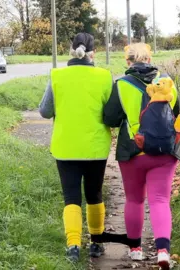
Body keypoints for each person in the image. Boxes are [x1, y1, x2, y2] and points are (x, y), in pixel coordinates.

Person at [103, 43, 180, 270]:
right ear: (150, 58)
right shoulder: (168, 81)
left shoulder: (122, 84)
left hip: (133, 151)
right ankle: (163, 251)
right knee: (160, 200)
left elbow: (109, 117)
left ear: (128, 61)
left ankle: (136, 249)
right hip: (165, 150)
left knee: (135, 200)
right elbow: (177, 114)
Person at [39, 32, 114, 262]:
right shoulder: (104, 76)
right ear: (93, 53)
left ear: (71, 50)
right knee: (94, 194)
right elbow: (111, 115)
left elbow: (44, 111)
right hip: (95, 147)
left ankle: (73, 246)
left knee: (71, 197)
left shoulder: (57, 76)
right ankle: (96, 244)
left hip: (66, 146)